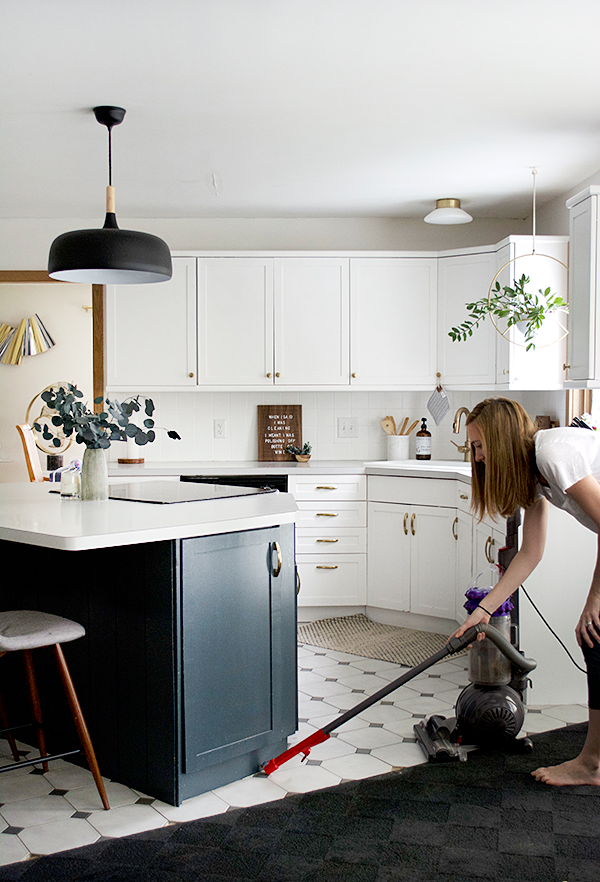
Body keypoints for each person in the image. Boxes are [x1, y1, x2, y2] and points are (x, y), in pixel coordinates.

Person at [451, 397, 600, 787]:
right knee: (596, 641)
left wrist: (594, 601)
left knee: (595, 635)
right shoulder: (535, 473)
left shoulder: (552, 454)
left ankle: (592, 764)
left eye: (480, 446)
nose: (478, 458)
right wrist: (484, 610)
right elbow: (531, 553)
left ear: (500, 441)